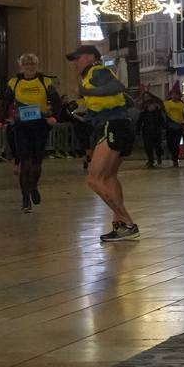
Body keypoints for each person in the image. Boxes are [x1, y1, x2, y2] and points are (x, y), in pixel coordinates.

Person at [68, 45, 139, 241]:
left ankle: (128, 222)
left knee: (94, 179)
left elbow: (118, 87)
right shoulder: (95, 73)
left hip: (112, 126)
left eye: (77, 57)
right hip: (120, 125)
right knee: (109, 177)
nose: (75, 62)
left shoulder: (97, 71)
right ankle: (121, 225)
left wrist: (85, 91)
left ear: (91, 57)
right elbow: (126, 100)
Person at [0, 53, 62, 212]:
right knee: (25, 163)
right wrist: (0, 119)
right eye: (26, 64)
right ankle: (25, 199)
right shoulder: (14, 82)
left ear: (36, 65)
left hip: (40, 125)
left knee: (37, 163)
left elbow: (57, 101)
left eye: (32, 64)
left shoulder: (45, 81)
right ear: (21, 66)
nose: (29, 67)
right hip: (21, 126)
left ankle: (33, 186)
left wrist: (54, 117)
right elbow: (5, 102)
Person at [136, 93, 166, 168]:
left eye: (147, 96)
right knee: (147, 146)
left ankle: (158, 156)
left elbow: (161, 118)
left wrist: (164, 127)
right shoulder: (143, 108)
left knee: (157, 146)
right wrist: (137, 130)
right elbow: (140, 120)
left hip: (156, 130)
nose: (146, 98)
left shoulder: (157, 107)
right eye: (145, 97)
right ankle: (151, 160)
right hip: (146, 130)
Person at [163, 87, 184, 167]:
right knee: (170, 143)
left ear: (179, 95)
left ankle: (175, 159)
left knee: (176, 144)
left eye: (176, 94)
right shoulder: (167, 103)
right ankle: (173, 156)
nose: (174, 96)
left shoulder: (183, 105)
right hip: (169, 126)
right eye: (173, 94)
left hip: (179, 126)